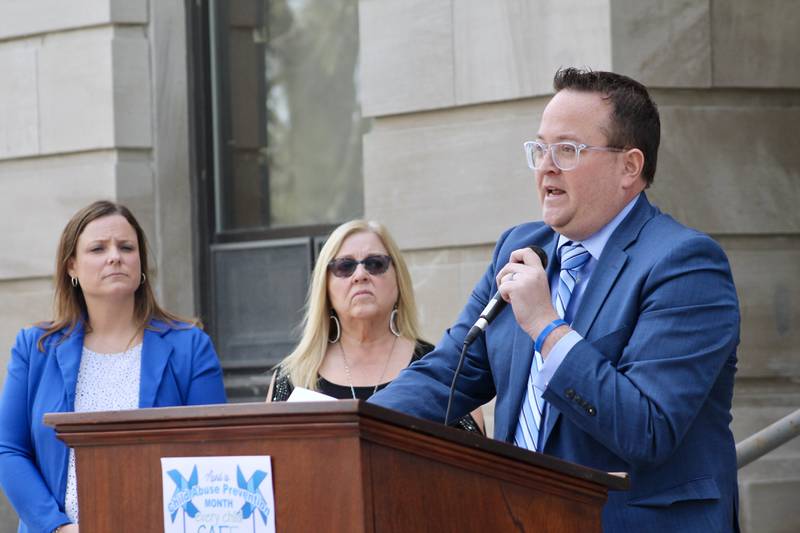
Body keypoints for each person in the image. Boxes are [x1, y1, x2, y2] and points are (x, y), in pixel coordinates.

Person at [370, 68, 740, 532]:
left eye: (568, 150)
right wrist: (346, 422)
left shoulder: (685, 264)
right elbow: (449, 372)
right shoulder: (519, 248)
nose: (546, 165)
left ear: (629, 167)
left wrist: (547, 327)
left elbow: (648, 428)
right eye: (540, 148)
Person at [0, 201, 227, 533]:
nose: (115, 257)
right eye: (98, 248)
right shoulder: (35, 348)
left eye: (126, 247)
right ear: (72, 267)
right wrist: (58, 527)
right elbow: (8, 449)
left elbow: (214, 450)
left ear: (141, 263)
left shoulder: (190, 347)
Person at [267, 219, 483, 434]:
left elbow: (473, 451)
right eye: (344, 266)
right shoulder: (293, 376)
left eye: (375, 264)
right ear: (326, 287)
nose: (360, 275)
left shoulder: (443, 369)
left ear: (398, 279)